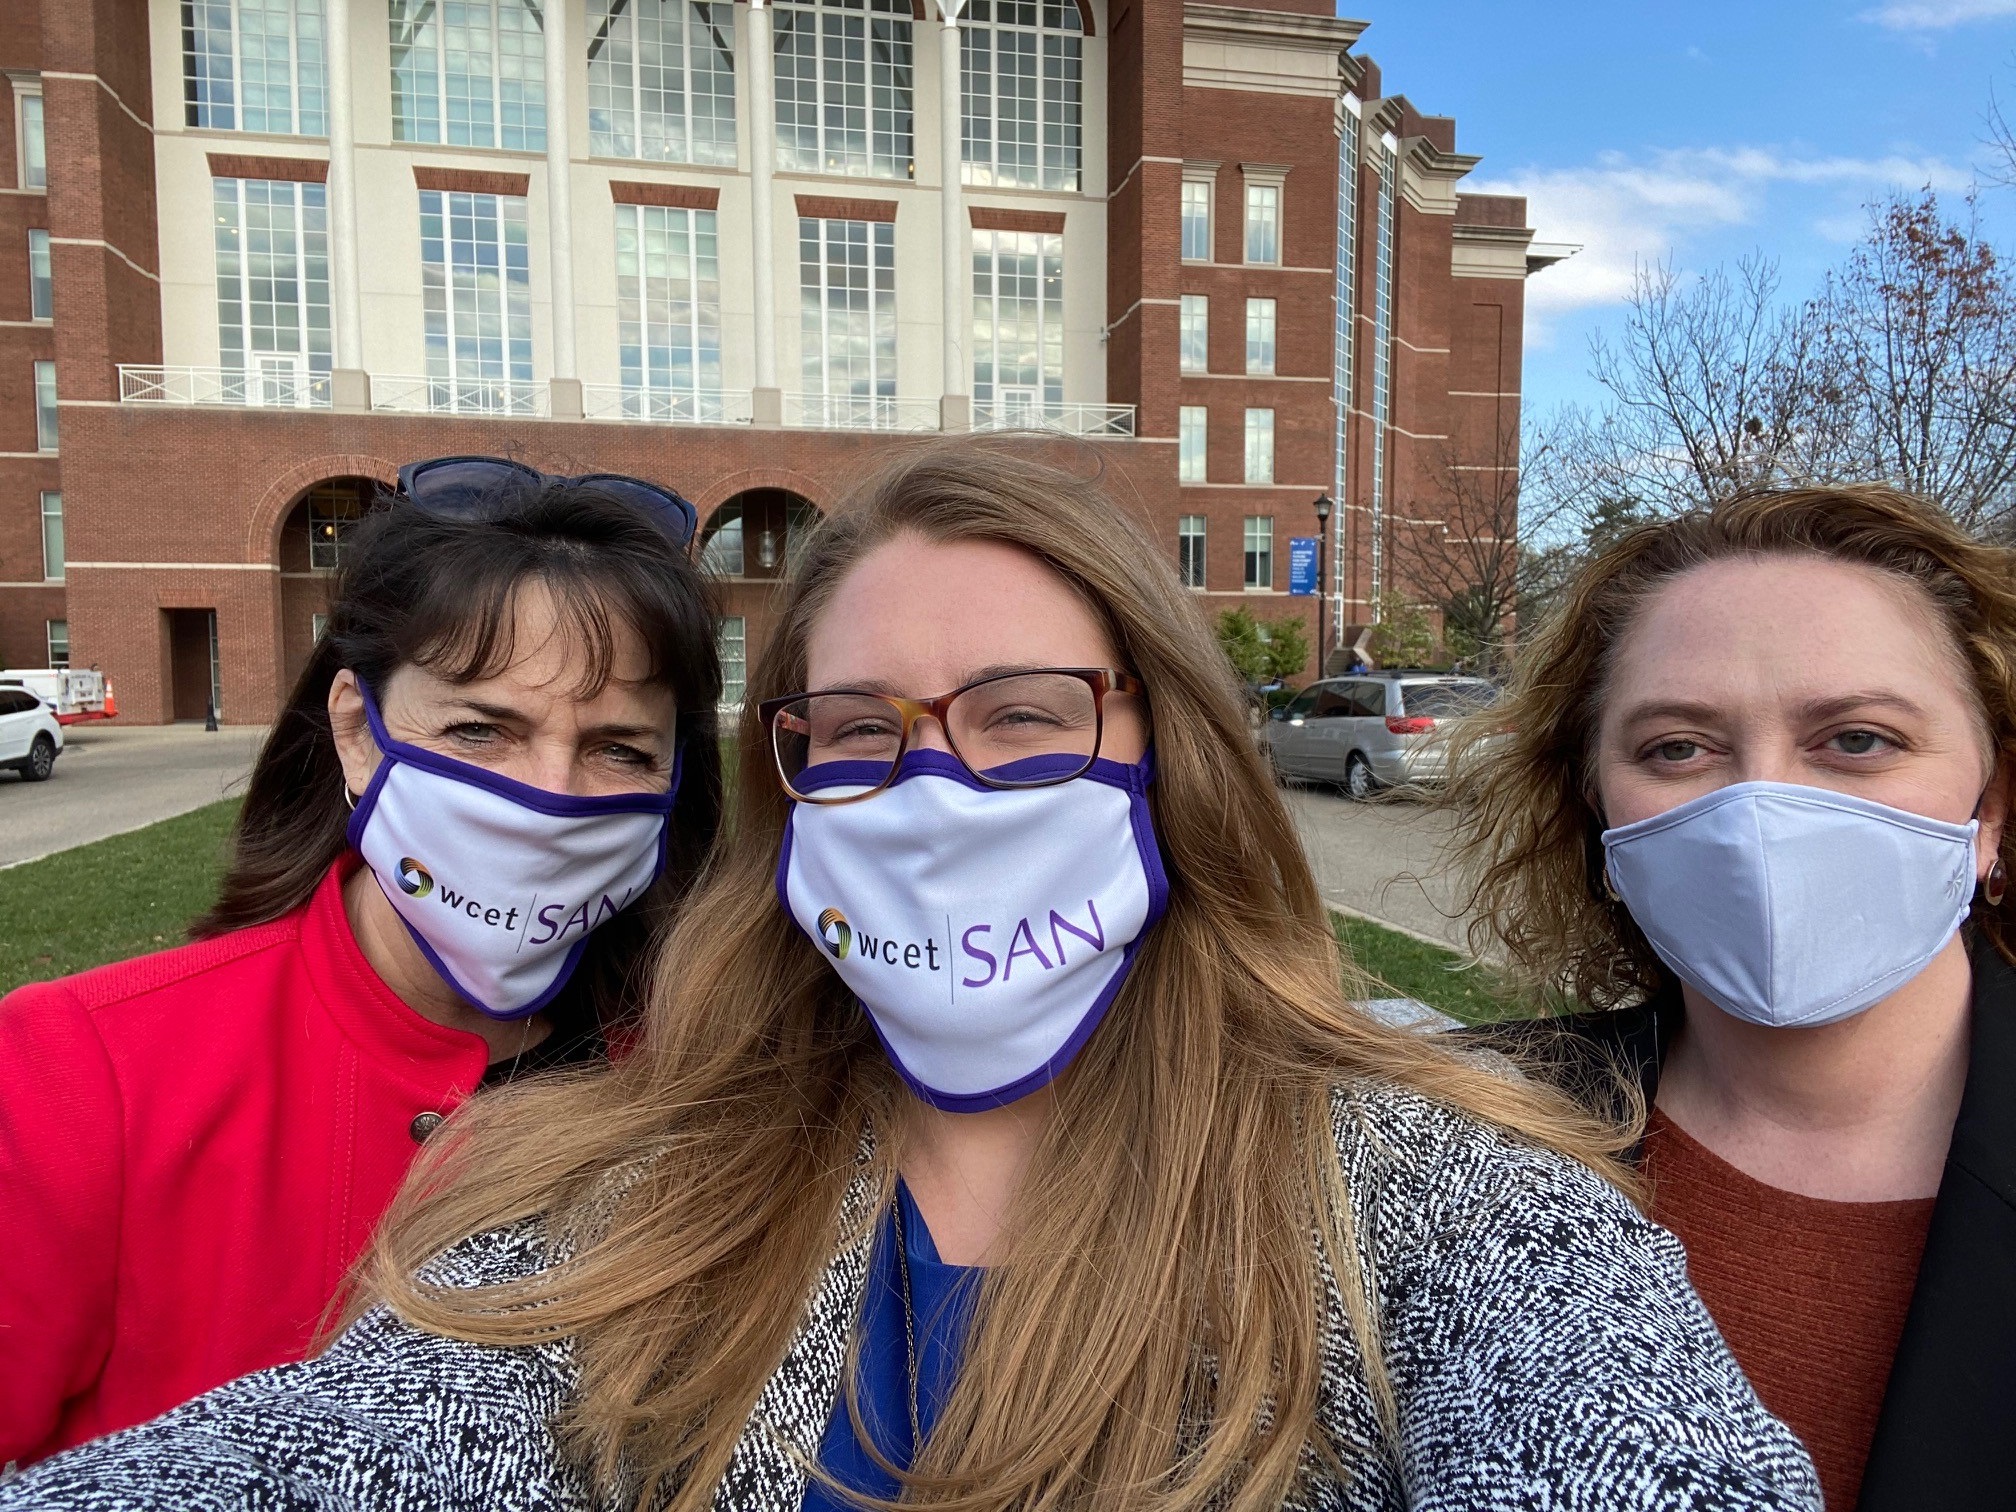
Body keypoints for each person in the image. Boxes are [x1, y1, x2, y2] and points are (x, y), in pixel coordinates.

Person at [0, 443, 1818, 1511]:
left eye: (1025, 718)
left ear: (1167, 749)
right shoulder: (625, 1184)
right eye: (857, 733)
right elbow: (334, 1449)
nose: (936, 789)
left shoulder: (1434, 1191)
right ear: (789, 789)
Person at [0, 458, 723, 1466]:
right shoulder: (81, 1076)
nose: (550, 797)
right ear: (357, 731)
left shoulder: (708, 1088)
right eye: (481, 729)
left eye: (618, 749)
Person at [1445, 485, 2016, 1512]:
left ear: (1992, 811)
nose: (1759, 809)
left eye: (1858, 739)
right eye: (1677, 747)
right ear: (1600, 823)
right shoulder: (1454, 1133)